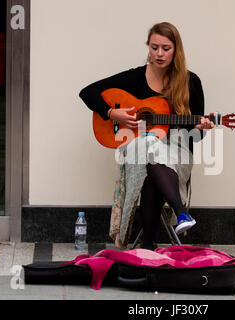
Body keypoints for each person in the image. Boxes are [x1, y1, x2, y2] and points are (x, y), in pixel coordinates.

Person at [79, 22, 214, 250]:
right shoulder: (135, 77)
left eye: (166, 48)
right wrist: (112, 113)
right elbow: (87, 92)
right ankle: (181, 215)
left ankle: (148, 245)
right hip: (137, 147)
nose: (159, 54)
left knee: (153, 166)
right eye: (154, 47)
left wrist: (197, 129)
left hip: (177, 151)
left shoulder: (191, 82)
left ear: (176, 50)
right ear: (148, 47)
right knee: (149, 144)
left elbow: (195, 140)